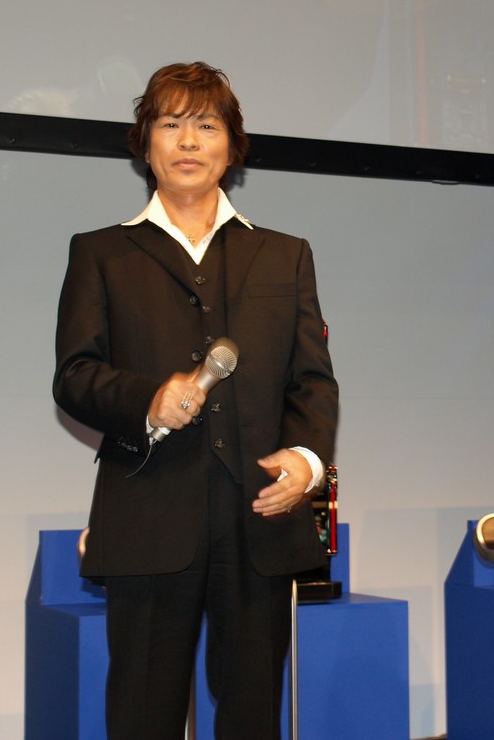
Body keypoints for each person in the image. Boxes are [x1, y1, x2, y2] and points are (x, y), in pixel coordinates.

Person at [53, 62, 338, 740]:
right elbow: (75, 375)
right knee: (142, 715)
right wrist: (147, 401)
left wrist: (306, 461)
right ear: (144, 143)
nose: (188, 141)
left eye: (206, 126)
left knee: (252, 716)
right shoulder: (101, 253)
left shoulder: (285, 255)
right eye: (170, 124)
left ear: (231, 147)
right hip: (148, 516)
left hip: (259, 519)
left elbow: (312, 380)